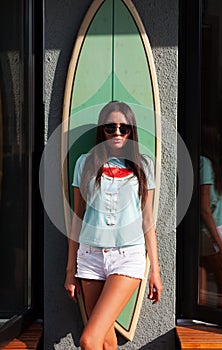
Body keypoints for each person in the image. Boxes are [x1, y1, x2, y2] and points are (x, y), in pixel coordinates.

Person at [64, 101, 162, 349]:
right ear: (102, 130)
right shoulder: (85, 163)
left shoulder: (144, 165)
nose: (117, 133)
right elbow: (78, 217)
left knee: (88, 340)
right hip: (90, 257)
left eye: (123, 128)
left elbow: (147, 219)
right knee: (106, 341)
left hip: (127, 256)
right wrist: (69, 270)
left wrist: (155, 271)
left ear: (131, 131)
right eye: (110, 128)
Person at [199, 124, 222, 310]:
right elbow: (204, 207)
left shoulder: (204, 162)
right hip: (213, 229)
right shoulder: (205, 163)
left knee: (200, 280)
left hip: (205, 230)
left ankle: (197, 324)